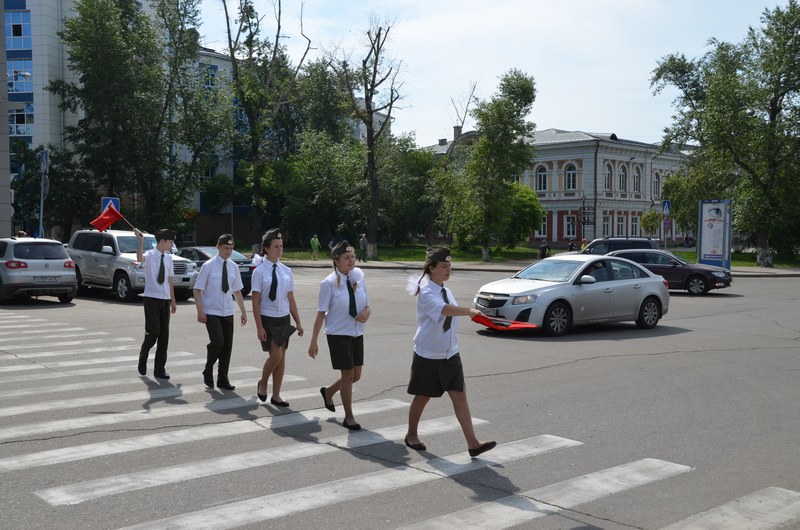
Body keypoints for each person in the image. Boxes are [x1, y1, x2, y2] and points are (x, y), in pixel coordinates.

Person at [404, 247, 496, 457]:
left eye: (449, 266)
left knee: (460, 396)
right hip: (429, 354)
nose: (448, 270)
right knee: (423, 396)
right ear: (431, 268)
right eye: (444, 266)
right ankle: (411, 435)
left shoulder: (445, 289)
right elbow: (445, 310)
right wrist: (468, 311)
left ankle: (473, 443)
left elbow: (448, 308)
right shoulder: (427, 292)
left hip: (450, 353)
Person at [308, 240, 371, 430]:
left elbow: (367, 305)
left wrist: (367, 313)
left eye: (352, 256)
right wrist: (313, 342)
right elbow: (320, 313)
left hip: (356, 333)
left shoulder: (358, 279)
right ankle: (349, 416)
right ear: (337, 261)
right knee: (348, 374)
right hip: (338, 334)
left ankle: (328, 392)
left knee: (356, 375)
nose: (351, 260)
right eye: (347, 258)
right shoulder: (328, 283)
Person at [252, 228, 304, 407]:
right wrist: (259, 327)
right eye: (276, 246)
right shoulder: (259, 272)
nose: (279, 249)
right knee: (275, 356)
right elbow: (256, 302)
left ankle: (276, 395)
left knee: (282, 357)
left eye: (281, 246)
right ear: (266, 248)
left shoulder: (286, 271)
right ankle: (263, 382)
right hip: (268, 318)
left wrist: (298, 321)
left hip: (283, 318)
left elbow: (290, 298)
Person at [193, 233, 248, 391]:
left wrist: (243, 312)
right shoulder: (208, 266)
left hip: (228, 311)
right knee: (218, 342)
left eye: (231, 248)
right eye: (226, 248)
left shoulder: (233, 267)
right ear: (218, 247)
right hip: (212, 311)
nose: (228, 251)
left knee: (227, 347)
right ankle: (208, 369)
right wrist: (200, 311)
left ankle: (223, 379)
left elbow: (237, 291)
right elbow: (197, 290)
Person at [135, 228, 177, 379]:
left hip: (165, 299)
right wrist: (140, 241)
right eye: (171, 242)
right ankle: (143, 354)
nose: (172, 245)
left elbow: (170, 279)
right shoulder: (150, 255)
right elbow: (140, 258)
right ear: (162, 241)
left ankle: (159, 369)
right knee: (154, 332)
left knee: (164, 336)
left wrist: (173, 300)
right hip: (151, 298)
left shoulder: (169, 258)